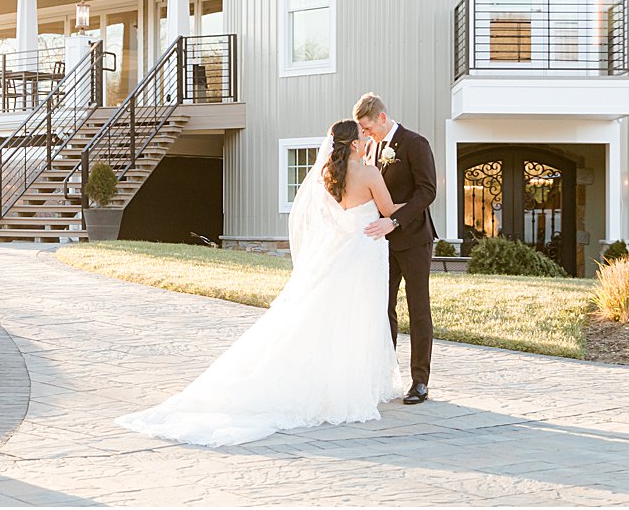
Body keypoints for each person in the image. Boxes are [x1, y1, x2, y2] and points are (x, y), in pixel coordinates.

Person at [115, 119, 408, 446]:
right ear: (354, 144)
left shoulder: (328, 176)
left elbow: (331, 220)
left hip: (339, 252)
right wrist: (415, 202)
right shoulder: (369, 174)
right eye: (364, 136)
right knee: (360, 316)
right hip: (363, 254)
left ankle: (334, 380)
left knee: (329, 317)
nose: (368, 140)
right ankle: (350, 385)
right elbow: (389, 210)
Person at [354, 92, 437, 405]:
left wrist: (395, 221)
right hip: (380, 243)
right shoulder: (372, 148)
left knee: (418, 309)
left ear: (382, 118)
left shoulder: (415, 143)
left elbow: (427, 191)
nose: (366, 133)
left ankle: (419, 381)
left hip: (414, 239)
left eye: (368, 127)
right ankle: (385, 375)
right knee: (382, 307)